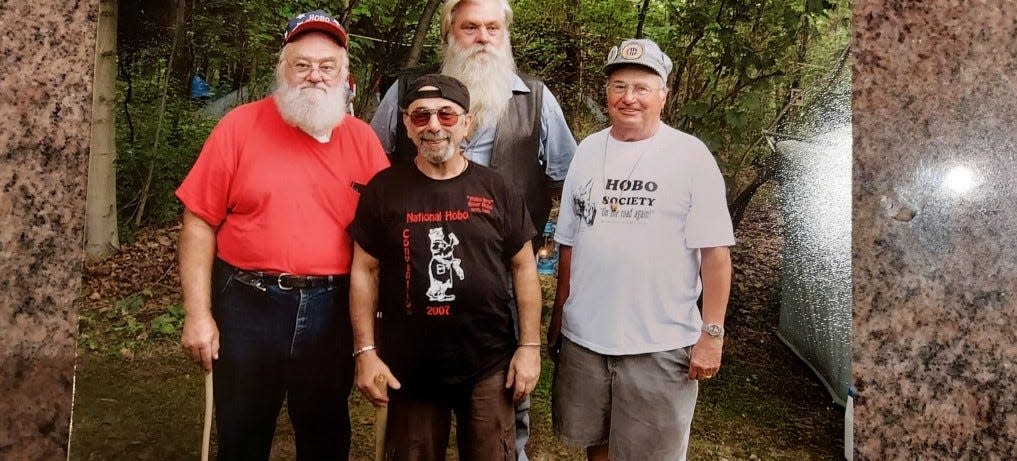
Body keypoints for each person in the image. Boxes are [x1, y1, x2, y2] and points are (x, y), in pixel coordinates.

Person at [176, 10, 389, 460]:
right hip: (247, 305)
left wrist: (377, 334)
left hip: (332, 311)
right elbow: (198, 221)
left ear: (344, 76)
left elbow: (384, 239)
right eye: (303, 64)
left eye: (327, 66)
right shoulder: (238, 126)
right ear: (283, 69)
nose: (315, 75)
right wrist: (198, 313)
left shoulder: (363, 141)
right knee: (242, 435)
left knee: (326, 437)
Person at [371, 3, 577, 455]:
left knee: (500, 424)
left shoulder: (537, 101)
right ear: (449, 34)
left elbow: (575, 184)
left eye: (492, 26)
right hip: (415, 297)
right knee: (414, 434)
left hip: (502, 289)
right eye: (469, 27)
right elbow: (367, 171)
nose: (482, 36)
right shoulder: (405, 95)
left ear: (505, 34)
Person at [547, 38, 735, 461]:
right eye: (618, 86)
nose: (628, 98)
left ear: (663, 95)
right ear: (607, 94)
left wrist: (712, 335)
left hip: (660, 344)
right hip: (587, 341)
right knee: (596, 445)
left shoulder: (690, 156)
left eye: (641, 87)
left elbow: (716, 257)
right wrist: (559, 317)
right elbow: (569, 244)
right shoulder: (587, 151)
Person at [349, 74, 542, 461]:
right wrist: (366, 352)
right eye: (420, 116)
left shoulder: (496, 188)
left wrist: (530, 347)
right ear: (405, 124)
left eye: (446, 115)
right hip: (410, 365)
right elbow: (364, 270)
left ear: (467, 123)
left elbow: (524, 267)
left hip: (488, 360)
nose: (433, 126)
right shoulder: (383, 189)